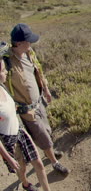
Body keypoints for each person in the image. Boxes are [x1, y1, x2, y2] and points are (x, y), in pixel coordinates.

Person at [4, 24, 69, 174]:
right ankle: (54, 161)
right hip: (26, 110)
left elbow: (38, 71)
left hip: (39, 102)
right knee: (42, 134)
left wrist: (46, 90)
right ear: (19, 43)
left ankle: (49, 151)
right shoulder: (6, 61)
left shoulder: (29, 53)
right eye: (28, 41)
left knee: (46, 129)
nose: (31, 44)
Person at [0, 51, 51, 191]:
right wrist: (9, 159)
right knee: (21, 168)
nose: (6, 72)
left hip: (20, 131)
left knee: (38, 164)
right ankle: (25, 183)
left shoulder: (3, 87)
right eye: (3, 70)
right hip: (8, 140)